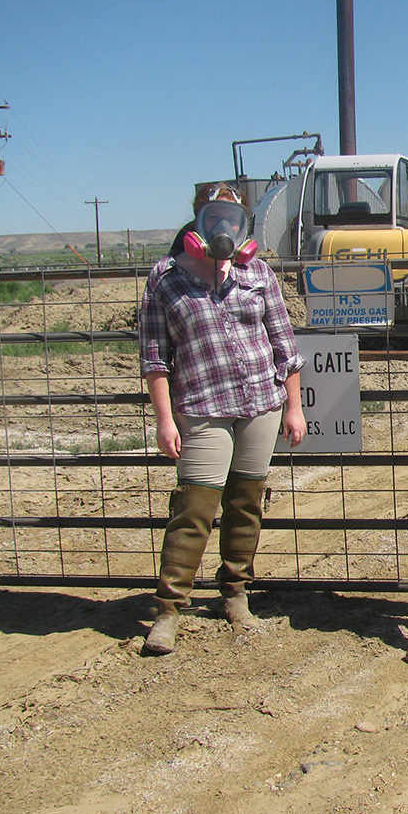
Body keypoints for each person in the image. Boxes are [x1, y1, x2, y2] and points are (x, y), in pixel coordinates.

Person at [138, 183, 306, 655]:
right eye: (213, 217)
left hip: (260, 404)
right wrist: (165, 420)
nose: (222, 226)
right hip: (200, 408)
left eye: (232, 218)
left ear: (242, 225)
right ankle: (169, 609)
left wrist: (293, 407)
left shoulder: (258, 274)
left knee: (246, 502)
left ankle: (235, 593)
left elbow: (284, 346)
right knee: (194, 509)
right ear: (198, 221)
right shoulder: (165, 278)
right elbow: (155, 358)